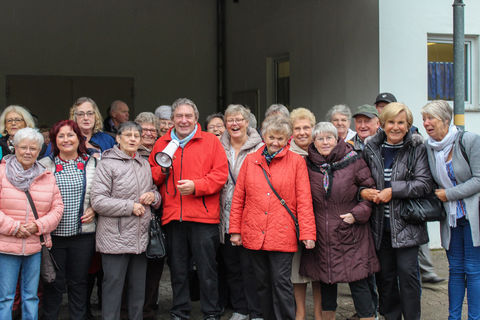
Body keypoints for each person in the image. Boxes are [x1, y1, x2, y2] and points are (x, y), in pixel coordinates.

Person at [229, 115, 316, 320]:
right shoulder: (251, 161)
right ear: (264, 136)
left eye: (280, 138)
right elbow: (239, 197)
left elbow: (304, 200)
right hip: (254, 231)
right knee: (261, 283)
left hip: (282, 233)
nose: (275, 142)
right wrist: (235, 231)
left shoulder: (296, 162)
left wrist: (308, 233)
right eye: (271, 137)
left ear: (288, 139)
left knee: (281, 283)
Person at [149, 98, 228, 320]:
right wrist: (163, 172)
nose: (184, 121)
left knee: (207, 270)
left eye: (188, 116)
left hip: (203, 217)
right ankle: (180, 311)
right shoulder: (162, 143)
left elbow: (220, 176)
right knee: (178, 269)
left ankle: (211, 312)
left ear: (195, 118)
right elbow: (153, 175)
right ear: (172, 119)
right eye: (179, 116)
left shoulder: (211, 141)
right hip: (174, 217)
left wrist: (197, 186)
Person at [361, 102, 433, 320]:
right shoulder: (371, 148)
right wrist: (364, 192)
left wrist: (393, 191)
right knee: (386, 278)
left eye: (401, 123)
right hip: (380, 225)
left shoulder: (417, 148)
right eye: (391, 122)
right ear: (382, 124)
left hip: (407, 223)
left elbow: (424, 184)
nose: (395, 127)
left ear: (408, 125)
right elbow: (360, 180)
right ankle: (391, 316)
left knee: (409, 276)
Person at [300, 122, 378, 320]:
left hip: (350, 231)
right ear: (314, 141)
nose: (325, 142)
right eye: (320, 138)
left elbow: (370, 192)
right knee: (326, 282)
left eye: (329, 138)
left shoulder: (354, 160)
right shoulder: (307, 165)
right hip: (321, 234)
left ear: (337, 140)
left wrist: (356, 214)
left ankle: (369, 316)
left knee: (358, 282)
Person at [91, 121, 161, 320]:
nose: (132, 139)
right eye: (128, 135)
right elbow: (98, 201)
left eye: (136, 136)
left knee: (138, 289)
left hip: (140, 237)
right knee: (113, 287)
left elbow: (154, 192)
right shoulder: (107, 164)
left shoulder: (144, 163)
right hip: (116, 237)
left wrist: (153, 198)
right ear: (118, 139)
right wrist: (130, 207)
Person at [422, 100, 480, 320]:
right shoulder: (429, 147)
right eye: (424, 118)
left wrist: (449, 194)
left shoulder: (469, 140)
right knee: (455, 270)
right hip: (451, 218)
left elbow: (479, 179)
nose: (427, 123)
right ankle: (453, 317)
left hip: (473, 216)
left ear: (446, 120)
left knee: (473, 270)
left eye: (431, 118)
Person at [0, 127, 63, 319]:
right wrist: (15, 227)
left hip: (35, 246)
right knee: (5, 297)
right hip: (6, 246)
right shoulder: (1, 173)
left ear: (39, 151)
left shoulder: (46, 176)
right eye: (23, 147)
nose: (28, 152)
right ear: (14, 148)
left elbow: (58, 208)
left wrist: (39, 226)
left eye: (33, 148)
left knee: (31, 296)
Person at [39, 120, 97, 320]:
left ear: (79, 138)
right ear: (54, 140)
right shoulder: (45, 165)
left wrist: (95, 209)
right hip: (53, 236)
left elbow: (103, 192)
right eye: (61, 136)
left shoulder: (93, 163)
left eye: (70, 135)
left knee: (78, 282)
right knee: (53, 282)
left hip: (83, 235)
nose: (66, 139)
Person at [219, 104, 263, 320]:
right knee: (232, 265)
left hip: (252, 216)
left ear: (247, 122)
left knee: (252, 267)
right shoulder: (217, 146)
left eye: (239, 120)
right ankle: (240, 309)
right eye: (230, 120)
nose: (234, 124)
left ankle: (256, 311)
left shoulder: (260, 148)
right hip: (224, 216)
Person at [288, 107, 322, 320]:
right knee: (297, 271)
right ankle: (300, 313)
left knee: (319, 271)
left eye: (306, 128)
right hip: (295, 220)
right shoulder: (286, 153)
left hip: (320, 218)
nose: (302, 132)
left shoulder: (322, 150)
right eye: (297, 128)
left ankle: (318, 314)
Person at [133, 112, 164, 319]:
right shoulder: (129, 152)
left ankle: (149, 308)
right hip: (133, 215)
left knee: (155, 262)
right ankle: (131, 309)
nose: (149, 133)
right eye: (144, 130)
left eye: (153, 130)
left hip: (159, 215)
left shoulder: (164, 152)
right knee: (134, 268)